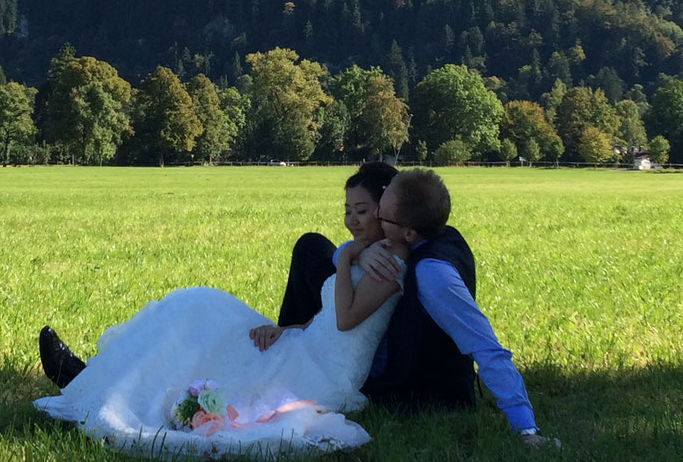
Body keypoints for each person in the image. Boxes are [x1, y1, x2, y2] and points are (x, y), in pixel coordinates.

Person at [35, 163, 408, 458]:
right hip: (303, 345)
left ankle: (95, 388)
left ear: (387, 210)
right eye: (347, 210)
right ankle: (94, 378)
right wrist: (289, 328)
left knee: (211, 337)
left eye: (362, 210)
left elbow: (346, 321)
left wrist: (346, 259)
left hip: (323, 372)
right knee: (198, 305)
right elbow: (327, 317)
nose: (352, 220)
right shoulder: (367, 251)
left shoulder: (389, 261)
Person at [278, 168, 560, 450]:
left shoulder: (433, 273)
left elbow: (486, 346)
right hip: (367, 324)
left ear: (409, 232)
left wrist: (526, 427)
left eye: (381, 216)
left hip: (410, 383)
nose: (372, 219)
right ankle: (291, 337)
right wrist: (357, 252)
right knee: (312, 246)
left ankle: (294, 349)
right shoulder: (413, 232)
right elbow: (349, 251)